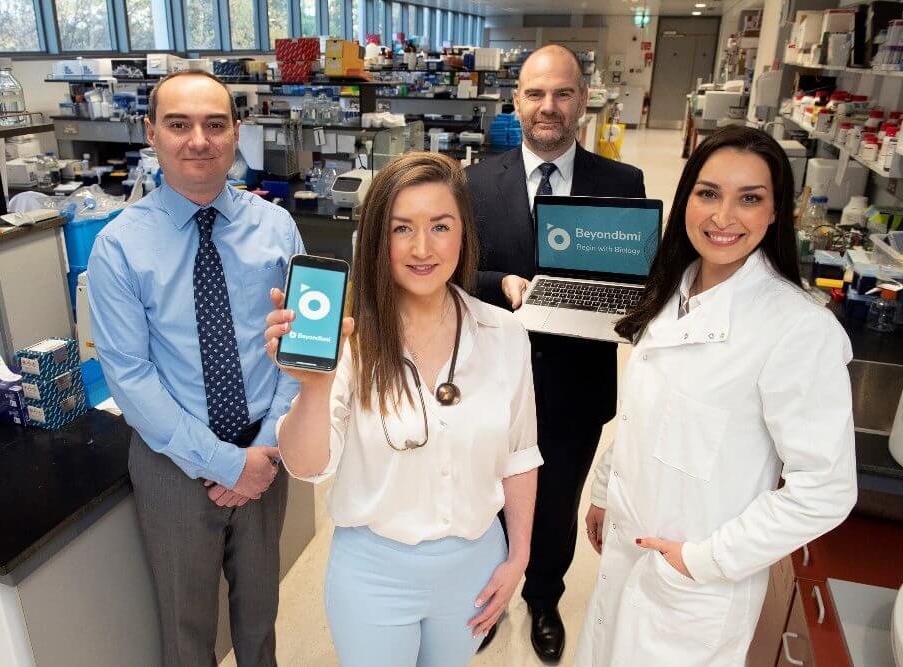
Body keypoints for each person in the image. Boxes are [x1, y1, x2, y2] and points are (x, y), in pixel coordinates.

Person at [574, 125, 857, 665]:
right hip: (630, 549)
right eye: (709, 193)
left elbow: (825, 490)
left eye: (749, 198)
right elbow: (644, 416)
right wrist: (606, 489)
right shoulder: (673, 289)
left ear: (775, 212)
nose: (723, 217)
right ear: (687, 199)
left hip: (692, 586)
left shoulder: (799, 329)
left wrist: (705, 560)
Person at [264, 152, 542, 666]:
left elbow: (520, 455)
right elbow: (306, 466)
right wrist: (314, 388)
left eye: (440, 226)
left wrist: (519, 555)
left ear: (463, 234)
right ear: (378, 239)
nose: (422, 248)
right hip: (373, 573)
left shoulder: (503, 333)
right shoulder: (351, 341)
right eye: (401, 229)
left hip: (474, 567)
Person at [88, 70, 303, 667]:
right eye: (179, 124)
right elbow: (130, 377)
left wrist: (265, 449)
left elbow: (299, 348)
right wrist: (227, 465)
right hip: (173, 462)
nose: (199, 141)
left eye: (215, 124)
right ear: (151, 133)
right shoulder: (119, 246)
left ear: (237, 132)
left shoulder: (276, 227)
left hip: (265, 448)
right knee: (186, 630)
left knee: (260, 616)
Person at [465, 44, 646, 660]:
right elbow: (455, 273)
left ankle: (543, 598)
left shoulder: (621, 183)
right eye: (536, 94)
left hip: (576, 382)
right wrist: (502, 284)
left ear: (583, 101)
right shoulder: (475, 183)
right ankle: (488, 599)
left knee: (557, 504)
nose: (549, 107)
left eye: (563, 93)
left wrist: (627, 303)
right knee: (490, 503)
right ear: (516, 101)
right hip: (492, 382)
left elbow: (636, 278)